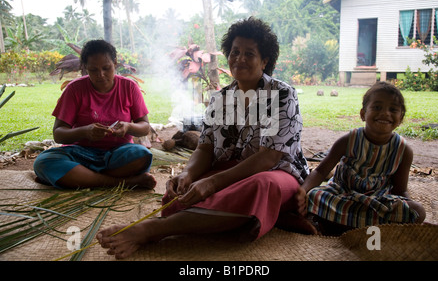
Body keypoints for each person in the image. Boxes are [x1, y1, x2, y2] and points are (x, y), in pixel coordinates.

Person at [96, 17, 313, 259]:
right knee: (179, 193)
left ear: (265, 61)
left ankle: (153, 229)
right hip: (232, 172)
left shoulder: (281, 94)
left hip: (278, 173)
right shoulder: (220, 99)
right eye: (235, 52)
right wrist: (189, 173)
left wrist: (212, 183)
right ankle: (243, 216)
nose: (239, 58)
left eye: (249, 53)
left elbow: (268, 158)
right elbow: (205, 148)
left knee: (262, 186)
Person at [296, 82, 426, 235]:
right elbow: (320, 171)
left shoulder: (403, 150)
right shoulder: (348, 140)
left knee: (418, 211)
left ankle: (336, 226)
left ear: (401, 118)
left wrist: (404, 208)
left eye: (393, 109)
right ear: (363, 114)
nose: (385, 113)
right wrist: (303, 191)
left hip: (377, 201)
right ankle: (365, 228)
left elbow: (400, 190)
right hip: (342, 194)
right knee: (315, 196)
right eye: (377, 107)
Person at [33, 39, 156, 190]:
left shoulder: (129, 87)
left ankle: (81, 178)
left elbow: (144, 127)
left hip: (118, 153)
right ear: (84, 68)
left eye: (106, 68)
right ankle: (121, 182)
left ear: (115, 63)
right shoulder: (74, 89)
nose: (101, 75)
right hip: (80, 154)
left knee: (141, 155)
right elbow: (59, 134)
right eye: (93, 70)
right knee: (44, 161)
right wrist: (85, 131)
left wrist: (128, 126)